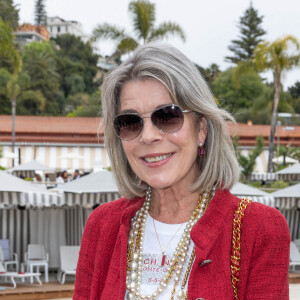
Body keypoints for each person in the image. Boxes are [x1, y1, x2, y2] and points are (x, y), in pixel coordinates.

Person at [74, 43, 290, 299]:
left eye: (167, 116)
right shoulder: (102, 225)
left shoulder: (258, 228)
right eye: (130, 123)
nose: (148, 136)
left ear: (201, 129)